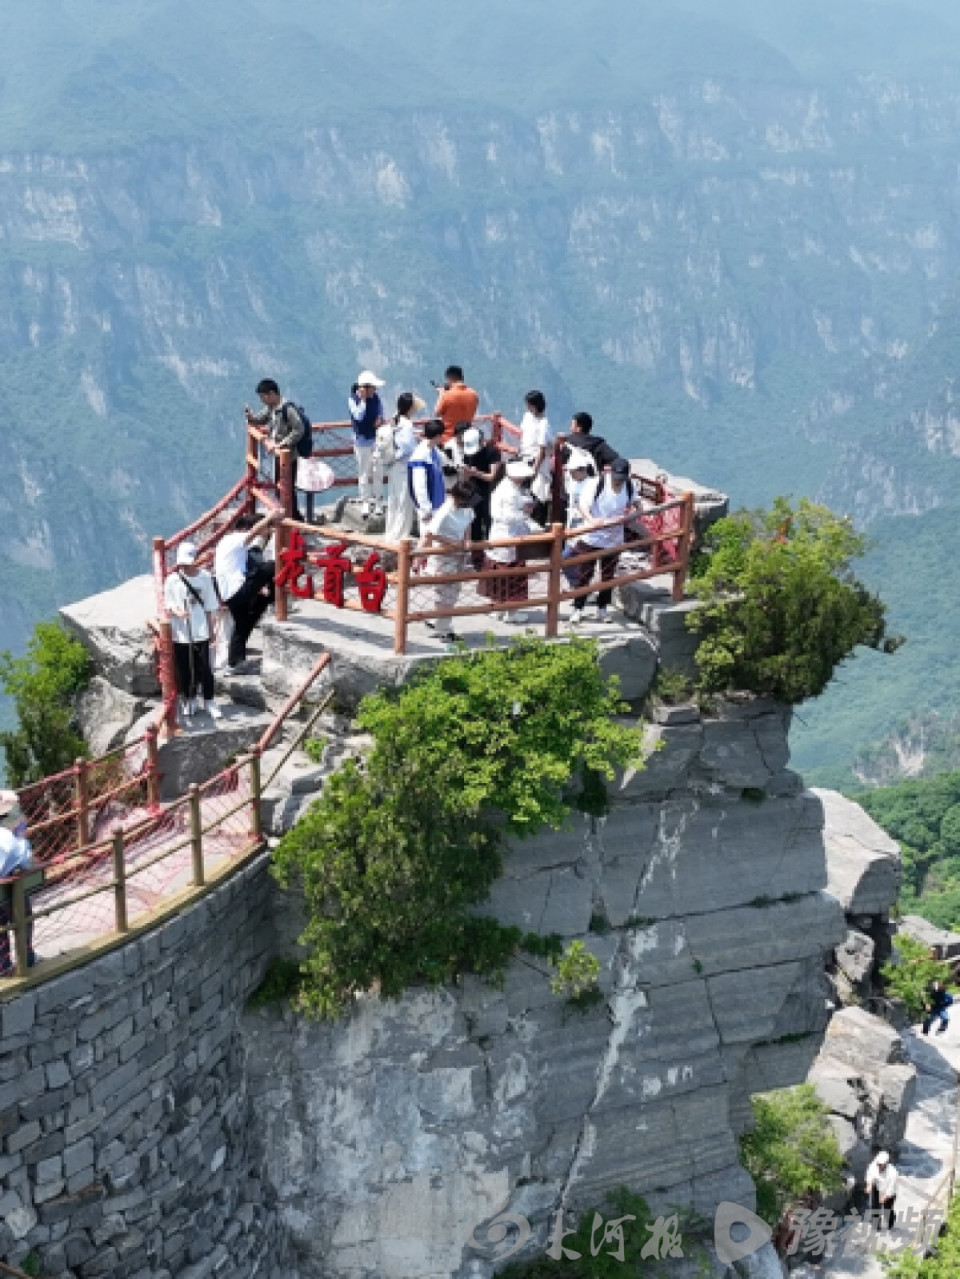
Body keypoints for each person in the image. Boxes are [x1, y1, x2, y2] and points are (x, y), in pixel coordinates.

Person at [568, 457, 639, 626]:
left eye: (621, 479)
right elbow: (582, 505)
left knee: (608, 575)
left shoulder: (629, 486)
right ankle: (578, 608)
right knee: (584, 573)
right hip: (592, 536)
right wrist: (592, 520)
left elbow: (638, 506)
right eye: (615, 478)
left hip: (613, 538)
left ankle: (602, 609)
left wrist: (628, 517)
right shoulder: (596, 484)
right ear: (610, 473)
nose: (618, 482)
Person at [163, 540, 224, 723]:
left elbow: (210, 606)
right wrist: (177, 612)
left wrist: (211, 630)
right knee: (185, 667)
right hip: (181, 632)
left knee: (205, 667)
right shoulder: (172, 580)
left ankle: (209, 699)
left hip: (200, 630)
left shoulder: (205, 577)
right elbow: (169, 603)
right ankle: (189, 699)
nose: (186, 566)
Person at [215, 510, 280, 670]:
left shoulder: (228, 541)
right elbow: (254, 532)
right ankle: (275, 596)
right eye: (266, 529)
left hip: (229, 593)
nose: (266, 533)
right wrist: (272, 517)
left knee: (243, 624)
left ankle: (235, 663)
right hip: (237, 590)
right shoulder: (237, 539)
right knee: (271, 566)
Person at [420, 481, 480, 645]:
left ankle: (437, 621)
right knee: (447, 591)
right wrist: (452, 543)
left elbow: (468, 523)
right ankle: (443, 628)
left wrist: (467, 539)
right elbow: (430, 533)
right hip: (444, 554)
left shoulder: (467, 507)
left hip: (459, 553)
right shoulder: (445, 511)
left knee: (451, 590)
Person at [480, 459, 536, 623]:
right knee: (510, 574)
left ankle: (503, 608)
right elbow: (500, 515)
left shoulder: (513, 488)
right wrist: (524, 513)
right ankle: (508, 610)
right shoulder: (505, 491)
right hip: (505, 534)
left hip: (511, 535)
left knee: (502, 574)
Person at [244, 379, 305, 521]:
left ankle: (294, 520)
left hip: (289, 456)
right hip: (278, 456)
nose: (262, 400)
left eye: (263, 397)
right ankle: (292, 518)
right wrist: (250, 418)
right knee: (281, 489)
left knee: (287, 490)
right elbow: (261, 419)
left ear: (271, 394)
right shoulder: (271, 407)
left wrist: (282, 444)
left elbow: (299, 429)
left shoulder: (287, 409)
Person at [0, 791, 36, 977]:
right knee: (25, 920)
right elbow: (26, 861)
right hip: (15, 892)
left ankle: (4, 966)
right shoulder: (13, 836)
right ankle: (27, 956)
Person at [379, 392, 423, 543]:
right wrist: (417, 442)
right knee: (405, 502)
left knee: (394, 500)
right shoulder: (407, 424)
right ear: (410, 408)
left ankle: (390, 534)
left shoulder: (395, 418)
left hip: (394, 466)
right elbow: (407, 448)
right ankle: (400, 537)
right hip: (404, 466)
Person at [459, 425, 503, 561]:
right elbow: (466, 477)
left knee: (490, 520)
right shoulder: (467, 453)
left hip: (490, 491)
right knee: (474, 521)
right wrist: (465, 473)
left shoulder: (492, 452)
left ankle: (492, 553)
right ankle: (476, 554)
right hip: (474, 490)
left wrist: (475, 473)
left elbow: (491, 477)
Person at [348, 370, 386, 517]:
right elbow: (358, 415)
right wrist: (363, 400)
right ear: (364, 387)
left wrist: (380, 419)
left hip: (376, 439)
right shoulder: (353, 399)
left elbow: (381, 412)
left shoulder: (376, 399)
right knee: (364, 472)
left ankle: (377, 501)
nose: (375, 390)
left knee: (378, 471)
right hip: (361, 441)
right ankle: (365, 501)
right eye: (372, 387)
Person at [519, 390, 554, 524]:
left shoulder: (543, 424)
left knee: (538, 495)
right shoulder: (527, 416)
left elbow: (542, 449)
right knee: (524, 495)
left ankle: (537, 526)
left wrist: (534, 469)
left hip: (537, 463)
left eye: (530, 405)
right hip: (525, 457)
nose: (528, 408)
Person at [408, 420, 448, 530]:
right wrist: (426, 509)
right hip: (429, 506)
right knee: (428, 537)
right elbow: (419, 485)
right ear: (438, 436)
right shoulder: (420, 455)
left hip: (437, 501)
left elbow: (445, 459)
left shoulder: (433, 449)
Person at [434, 365, 479, 445]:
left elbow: (437, 413)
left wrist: (441, 394)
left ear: (449, 378)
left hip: (448, 439)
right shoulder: (474, 394)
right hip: (466, 437)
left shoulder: (447, 395)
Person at [865, 1150, 898, 1230]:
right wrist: (869, 1184)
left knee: (887, 1210)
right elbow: (870, 1175)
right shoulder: (873, 1165)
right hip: (877, 1187)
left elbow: (891, 1187)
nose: (879, 1166)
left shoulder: (893, 1172)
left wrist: (885, 1197)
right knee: (874, 1207)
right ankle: (876, 1226)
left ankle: (891, 1220)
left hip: (888, 1192)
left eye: (881, 1165)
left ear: (886, 1164)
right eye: (878, 1164)